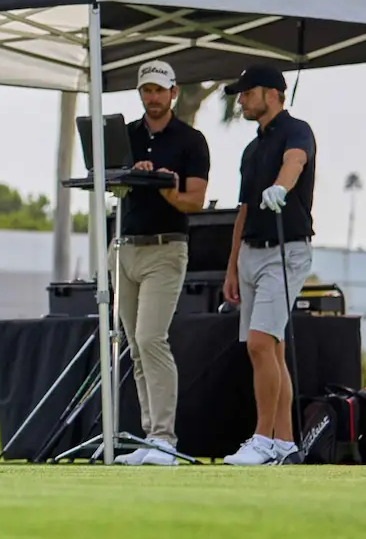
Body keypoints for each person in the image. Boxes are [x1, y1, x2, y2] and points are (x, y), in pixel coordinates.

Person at [113, 60, 209, 466]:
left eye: (159, 90)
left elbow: (194, 201)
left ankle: (165, 439)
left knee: (152, 338)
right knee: (135, 346)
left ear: (173, 93)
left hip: (166, 249)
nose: (153, 97)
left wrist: (165, 186)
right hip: (126, 247)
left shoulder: (191, 140)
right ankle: (150, 436)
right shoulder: (126, 137)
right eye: (146, 90)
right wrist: (132, 175)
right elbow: (112, 187)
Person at [220, 63, 315, 466]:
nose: (240, 99)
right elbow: (243, 209)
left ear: (271, 93)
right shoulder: (251, 149)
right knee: (271, 349)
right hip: (252, 252)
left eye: (246, 92)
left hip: (287, 249)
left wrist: (281, 185)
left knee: (260, 343)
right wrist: (231, 265)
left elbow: (295, 162)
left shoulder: (297, 129)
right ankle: (285, 443)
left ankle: (261, 439)